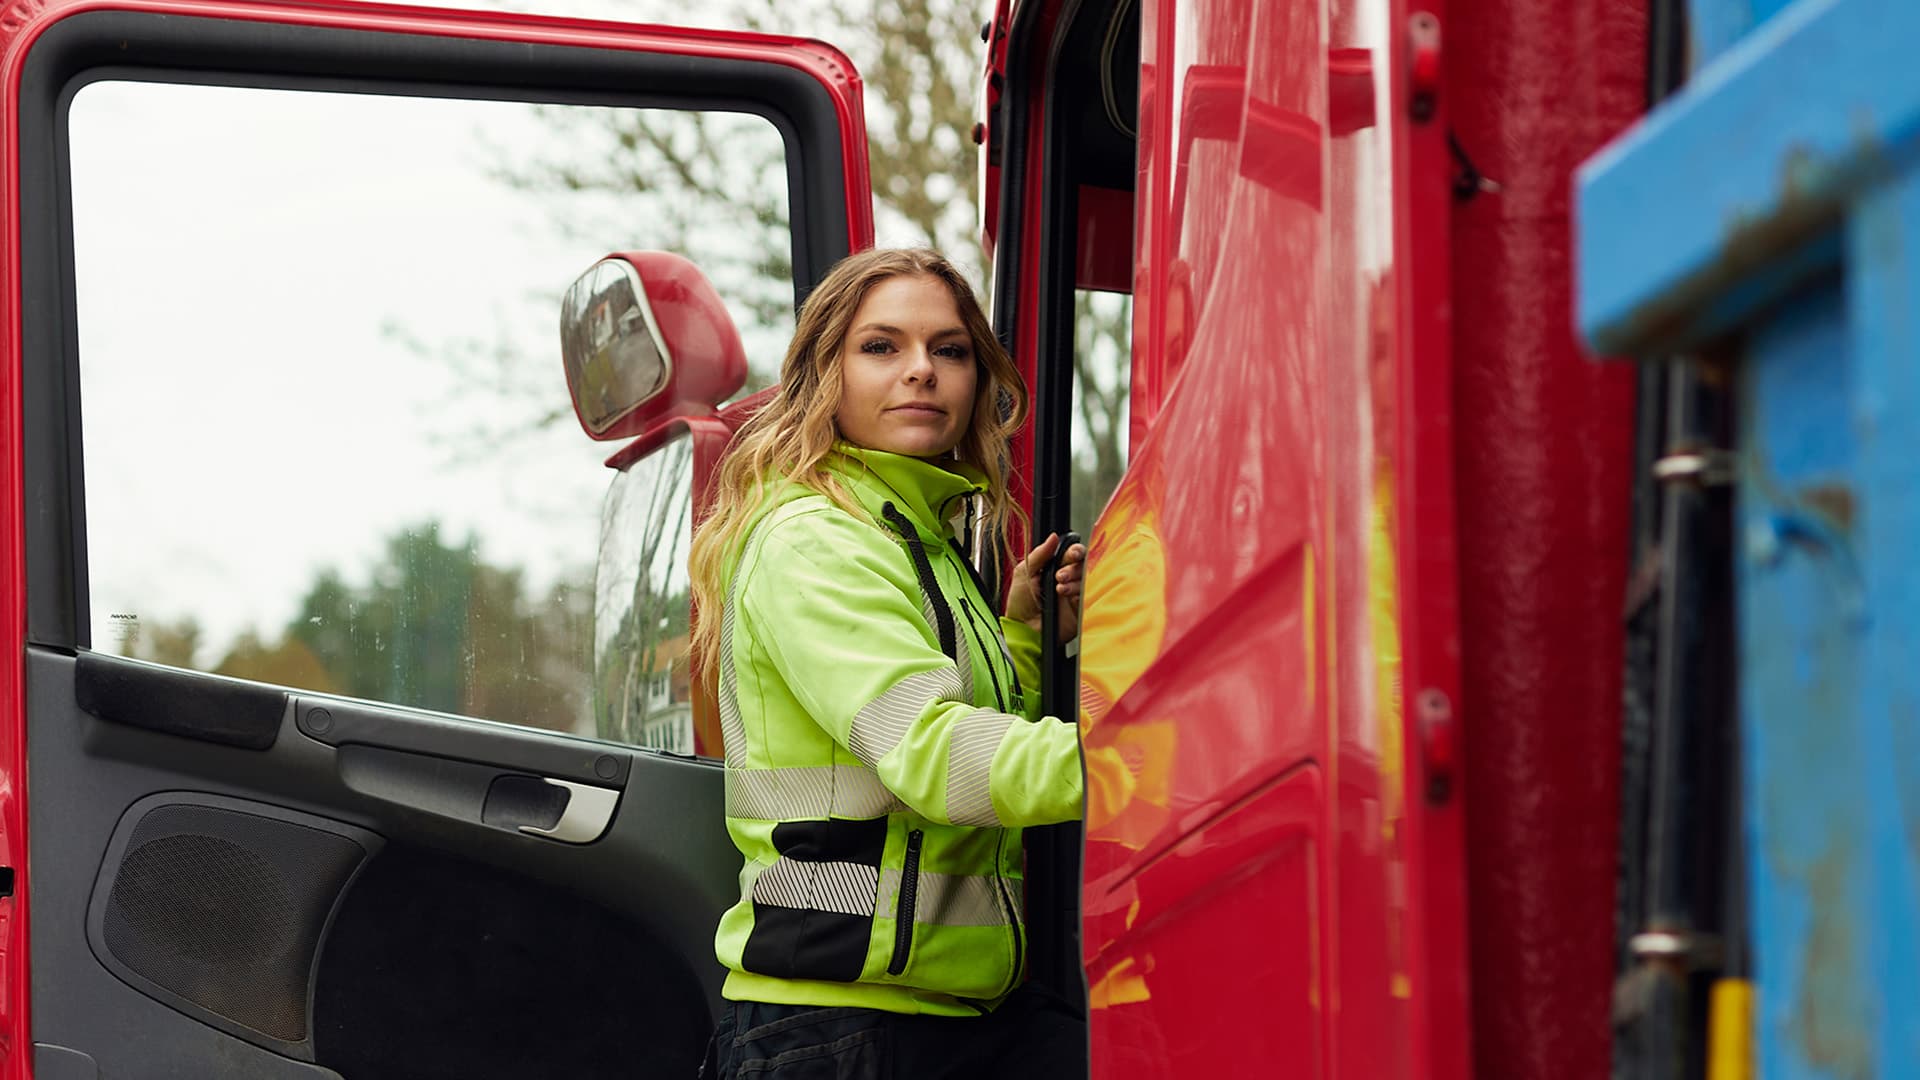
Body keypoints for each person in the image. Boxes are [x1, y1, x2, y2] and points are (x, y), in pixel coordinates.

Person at [688, 248, 1088, 1078]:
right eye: (882, 347)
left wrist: (1020, 635)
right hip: (839, 1034)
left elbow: (973, 740)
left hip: (951, 1014)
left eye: (949, 350)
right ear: (823, 373)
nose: (921, 372)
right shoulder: (815, 539)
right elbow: (936, 759)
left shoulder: (917, 536)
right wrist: (1161, 752)